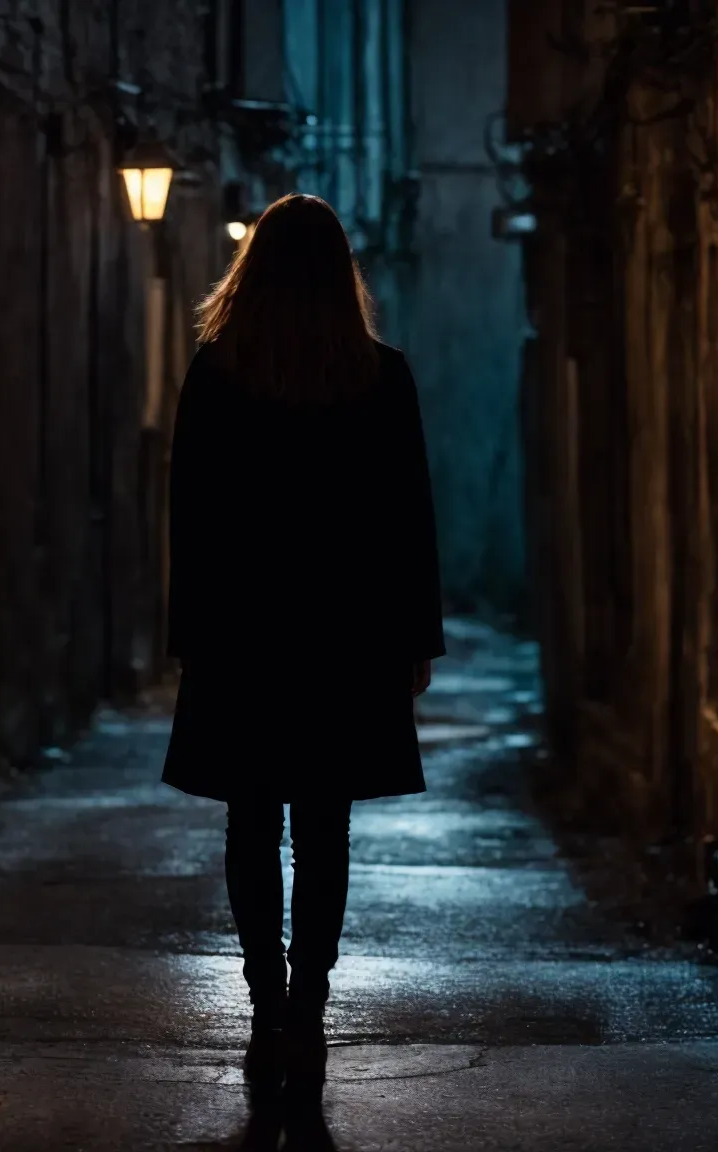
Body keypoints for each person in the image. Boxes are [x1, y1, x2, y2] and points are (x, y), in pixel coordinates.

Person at [161, 194, 445, 1108]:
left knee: (251, 819)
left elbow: (192, 519)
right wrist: (414, 637)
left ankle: (264, 995)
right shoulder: (381, 377)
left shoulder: (216, 375)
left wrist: (189, 636)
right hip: (346, 638)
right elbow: (409, 519)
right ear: (340, 277)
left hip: (244, 636)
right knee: (326, 826)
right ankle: (310, 1005)